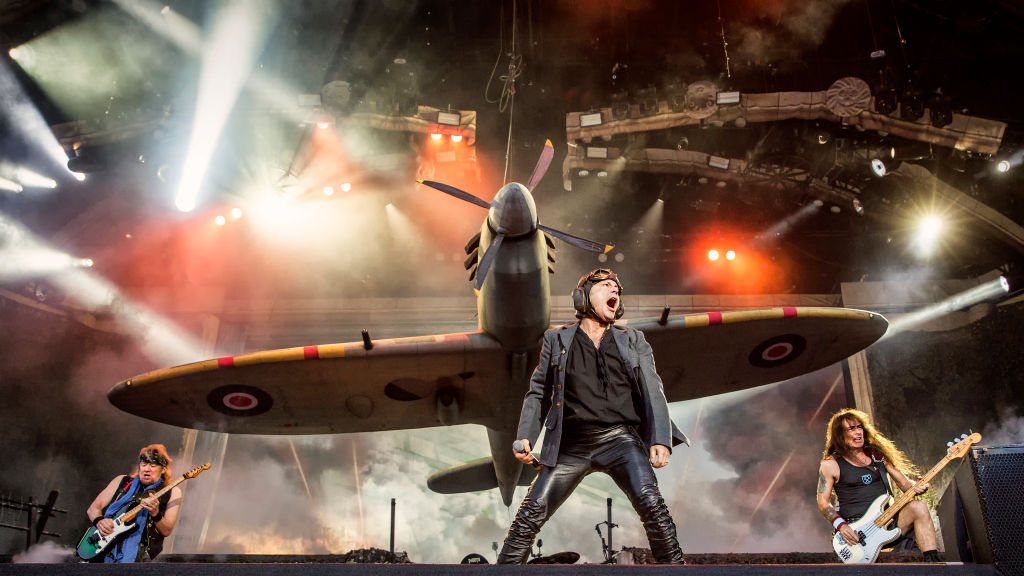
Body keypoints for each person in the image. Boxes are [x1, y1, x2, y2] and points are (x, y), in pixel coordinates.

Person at [497, 268, 686, 565]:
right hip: (571, 444)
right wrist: (525, 436)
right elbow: (538, 392)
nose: (615, 291)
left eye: (617, 290)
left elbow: (654, 390)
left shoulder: (633, 339)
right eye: (606, 286)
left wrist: (661, 438)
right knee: (530, 515)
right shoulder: (556, 339)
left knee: (652, 504)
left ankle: (677, 572)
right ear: (583, 297)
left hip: (621, 439)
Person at [817, 408, 941, 563]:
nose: (858, 432)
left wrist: (917, 485)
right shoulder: (831, 464)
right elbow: (823, 502)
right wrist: (841, 526)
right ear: (840, 435)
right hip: (856, 531)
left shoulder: (876, 456)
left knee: (919, 507)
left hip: (886, 522)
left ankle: (934, 564)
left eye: (860, 427)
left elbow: (904, 484)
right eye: (851, 428)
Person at [85, 444, 183, 563]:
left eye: (152, 465)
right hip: (103, 549)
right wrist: (99, 521)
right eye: (144, 464)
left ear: (163, 469)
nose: (147, 469)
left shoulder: (173, 492)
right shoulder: (121, 481)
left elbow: (167, 530)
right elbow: (93, 508)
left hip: (138, 557)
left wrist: (155, 513)